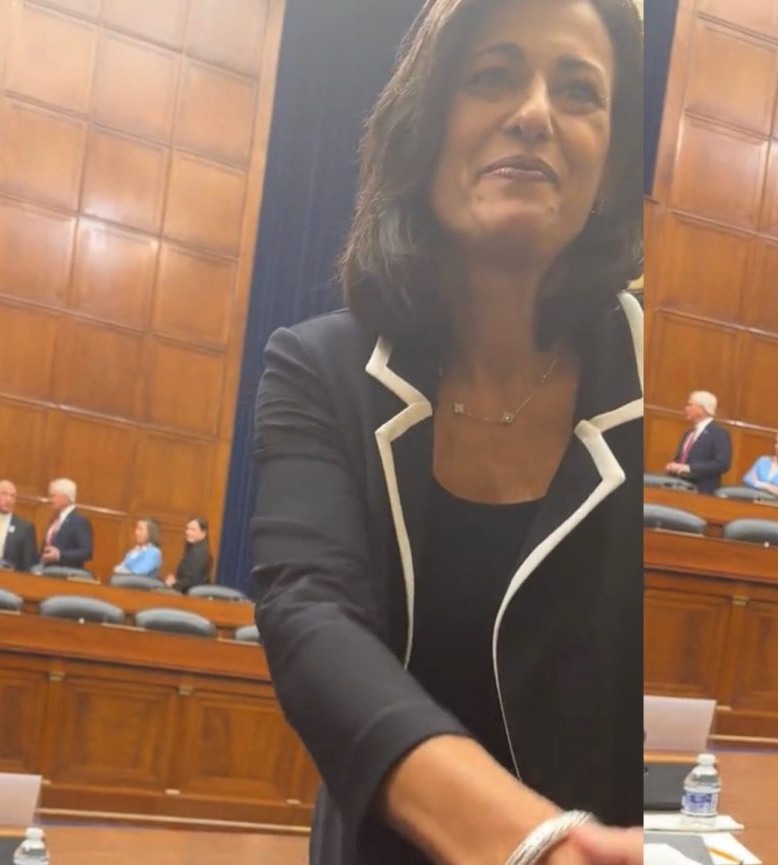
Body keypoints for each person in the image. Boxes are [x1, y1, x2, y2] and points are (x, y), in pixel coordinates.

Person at [248, 1, 644, 863]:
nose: (535, 112)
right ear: (422, 132)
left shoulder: (652, 374)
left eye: (579, 90)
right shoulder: (317, 369)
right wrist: (529, 842)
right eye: (493, 75)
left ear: (612, 166)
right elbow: (309, 617)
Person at [663, 390, 731, 494]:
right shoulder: (689, 433)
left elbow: (722, 464)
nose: (686, 408)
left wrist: (689, 468)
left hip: (701, 491)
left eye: (690, 405)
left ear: (701, 408)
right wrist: (673, 466)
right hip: (677, 487)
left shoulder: (719, 433)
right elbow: (681, 459)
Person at [40, 478, 93, 570]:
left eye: (53, 496)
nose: (50, 500)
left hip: (66, 573)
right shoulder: (54, 518)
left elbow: (86, 552)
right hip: (46, 569)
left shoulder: (79, 521)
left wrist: (59, 555)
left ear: (66, 497)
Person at [165, 517, 213, 593]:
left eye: (193, 530)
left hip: (191, 595)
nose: (188, 532)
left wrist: (173, 583)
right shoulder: (194, 548)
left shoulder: (200, 553)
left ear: (203, 533)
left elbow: (192, 580)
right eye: (187, 529)